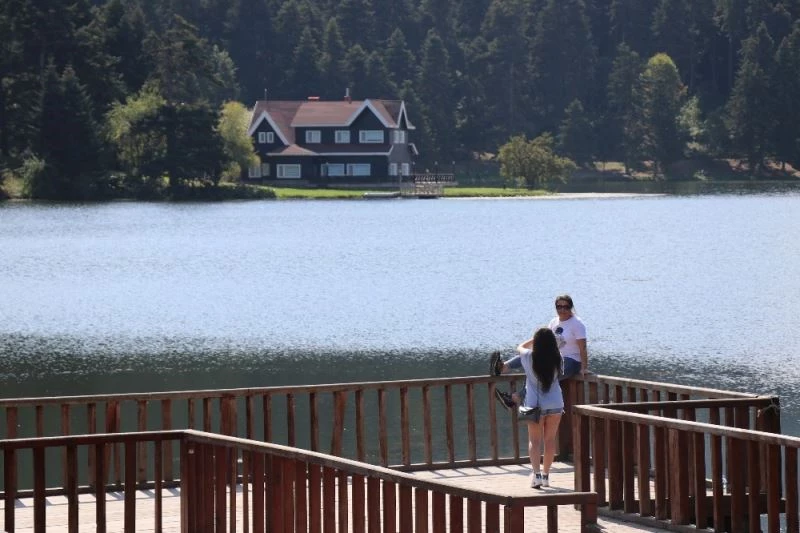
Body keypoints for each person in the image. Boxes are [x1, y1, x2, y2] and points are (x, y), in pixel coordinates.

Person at [491, 294, 588, 410]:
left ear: (571, 307)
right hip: (554, 358)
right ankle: (503, 367)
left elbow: (583, 347)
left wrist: (584, 367)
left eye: (566, 307)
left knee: (541, 376)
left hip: (571, 361)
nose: (562, 310)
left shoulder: (577, 324)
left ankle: (515, 398)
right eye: (559, 307)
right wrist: (535, 343)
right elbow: (544, 339)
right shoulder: (554, 322)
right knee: (530, 357)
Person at [497, 327, 564, 488]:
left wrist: (532, 340)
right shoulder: (558, 357)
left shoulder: (528, 356)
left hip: (535, 405)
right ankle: (547, 476)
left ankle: (537, 476)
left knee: (535, 441)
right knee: (550, 441)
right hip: (556, 403)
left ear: (537, 343)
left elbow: (520, 347)